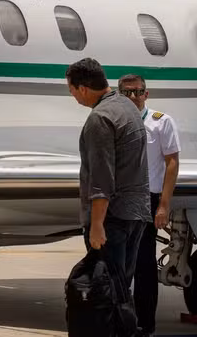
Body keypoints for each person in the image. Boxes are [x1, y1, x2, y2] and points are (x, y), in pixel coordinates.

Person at [65, 58, 151, 290]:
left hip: (112, 219)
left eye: (72, 91)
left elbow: (102, 178)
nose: (74, 97)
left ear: (83, 89)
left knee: (105, 291)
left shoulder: (100, 118)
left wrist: (96, 225)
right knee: (121, 288)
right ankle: (124, 316)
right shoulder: (128, 107)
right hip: (135, 213)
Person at [119, 74, 181, 337]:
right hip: (120, 200)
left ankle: (145, 325)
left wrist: (163, 206)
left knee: (144, 265)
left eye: (138, 91)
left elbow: (172, 163)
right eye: (128, 92)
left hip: (147, 200)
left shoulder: (161, 122)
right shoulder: (115, 121)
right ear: (120, 95)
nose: (134, 97)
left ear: (146, 94)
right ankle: (120, 321)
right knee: (119, 264)